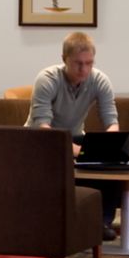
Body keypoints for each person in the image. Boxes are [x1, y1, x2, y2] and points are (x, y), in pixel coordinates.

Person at [26, 31, 121, 240]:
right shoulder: (47, 79)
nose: (84, 69)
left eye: (89, 63)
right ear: (64, 60)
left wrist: (111, 146)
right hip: (39, 140)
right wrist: (84, 151)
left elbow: (111, 120)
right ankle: (59, 222)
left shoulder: (99, 80)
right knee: (76, 157)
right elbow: (42, 127)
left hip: (75, 137)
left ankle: (101, 223)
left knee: (112, 162)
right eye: (78, 63)